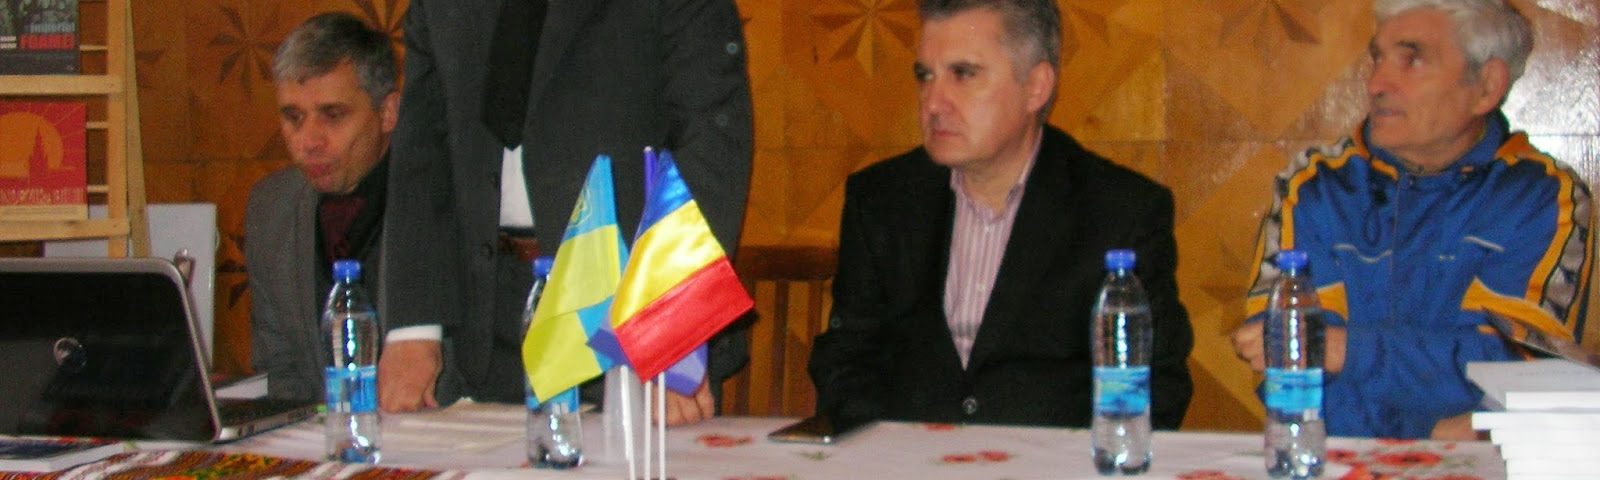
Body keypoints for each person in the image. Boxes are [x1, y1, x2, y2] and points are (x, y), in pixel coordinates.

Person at [808, 0, 1194, 428]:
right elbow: (847, 359)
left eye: (963, 74)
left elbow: (1154, 383)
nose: (933, 103)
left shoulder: (1120, 211)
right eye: (925, 76)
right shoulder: (881, 201)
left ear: (1036, 87)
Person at [1232, 0, 1595, 440]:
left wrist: (1341, 349)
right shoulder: (1316, 186)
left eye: (1412, 60)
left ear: (1486, 86)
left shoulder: (1541, 195)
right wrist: (1429, 433)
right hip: (1334, 460)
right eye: (1378, 59)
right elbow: (1282, 366)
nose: (1376, 84)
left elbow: (1512, 367)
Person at [381, 0, 754, 425]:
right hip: (479, 323)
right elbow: (422, 152)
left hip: (626, 309)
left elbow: (711, 147)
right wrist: (413, 330)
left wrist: (671, 329)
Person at [246, 12, 399, 402]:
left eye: (333, 115)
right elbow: (279, 371)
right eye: (293, 117)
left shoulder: (440, 200)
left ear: (387, 113)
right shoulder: (271, 209)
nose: (308, 141)